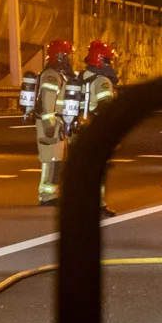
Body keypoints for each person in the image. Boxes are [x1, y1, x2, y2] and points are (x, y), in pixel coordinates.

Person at [33, 39, 76, 206]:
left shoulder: (58, 74)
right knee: (50, 160)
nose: (68, 59)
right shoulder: (51, 75)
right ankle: (46, 196)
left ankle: (51, 194)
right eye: (66, 55)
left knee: (56, 160)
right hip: (50, 123)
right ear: (59, 56)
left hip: (57, 122)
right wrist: (49, 125)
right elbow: (47, 101)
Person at [79, 40, 120, 216]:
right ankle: (98, 205)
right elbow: (106, 108)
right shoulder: (102, 80)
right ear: (101, 60)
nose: (111, 64)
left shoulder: (80, 77)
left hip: (78, 128)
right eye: (109, 60)